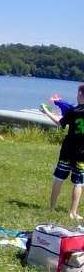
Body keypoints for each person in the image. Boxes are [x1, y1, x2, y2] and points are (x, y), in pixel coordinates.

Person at [44, 83, 84, 219]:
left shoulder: (74, 111)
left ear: (80, 95)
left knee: (59, 179)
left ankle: (52, 207)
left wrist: (47, 112)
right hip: (82, 154)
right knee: (78, 182)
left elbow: (60, 123)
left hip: (67, 151)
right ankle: (73, 212)